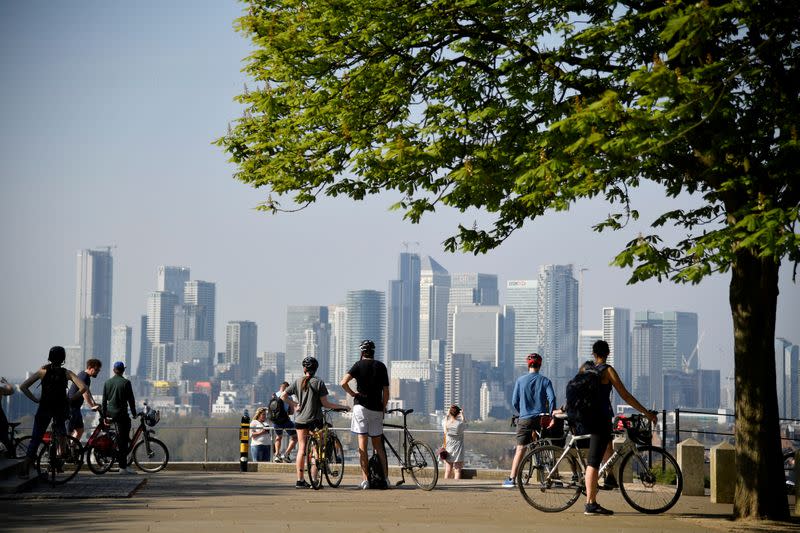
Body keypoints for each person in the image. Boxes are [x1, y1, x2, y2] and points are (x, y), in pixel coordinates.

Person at [582, 340, 657, 516]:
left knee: (607, 446)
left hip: (586, 418)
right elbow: (625, 395)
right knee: (593, 462)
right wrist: (646, 413)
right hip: (600, 419)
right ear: (608, 353)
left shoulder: (585, 368)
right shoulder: (607, 370)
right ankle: (590, 504)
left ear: (593, 353)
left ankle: (610, 478)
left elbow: (575, 388)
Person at [19, 346, 87, 476]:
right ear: (63, 359)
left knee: (36, 438)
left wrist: (35, 399)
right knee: (61, 430)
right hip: (60, 409)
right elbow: (83, 387)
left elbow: (23, 386)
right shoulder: (67, 373)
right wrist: (71, 398)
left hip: (44, 408)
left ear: (50, 357)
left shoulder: (42, 371)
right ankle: (62, 453)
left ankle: (25, 468)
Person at [281, 357, 349, 488]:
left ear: (304, 369)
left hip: (300, 420)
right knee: (316, 450)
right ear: (316, 369)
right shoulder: (319, 383)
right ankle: (315, 480)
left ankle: (300, 480)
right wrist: (343, 407)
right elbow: (326, 404)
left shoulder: (297, 381)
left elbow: (283, 396)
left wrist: (294, 404)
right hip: (315, 420)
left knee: (301, 449)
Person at [341, 339, 390, 490]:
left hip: (361, 407)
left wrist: (353, 394)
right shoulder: (381, 366)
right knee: (378, 447)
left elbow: (343, 382)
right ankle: (385, 479)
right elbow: (386, 392)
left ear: (362, 352)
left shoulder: (358, 365)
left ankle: (366, 480)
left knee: (362, 445)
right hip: (376, 408)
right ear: (374, 352)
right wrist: (383, 407)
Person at [503, 353, 556, 488]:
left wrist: (522, 412)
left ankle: (512, 479)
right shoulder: (545, 380)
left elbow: (514, 401)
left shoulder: (520, 381)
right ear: (540, 365)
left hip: (525, 418)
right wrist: (551, 416)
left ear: (528, 365)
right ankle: (553, 476)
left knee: (520, 448)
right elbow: (552, 398)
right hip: (542, 419)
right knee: (547, 445)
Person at [102, 361, 138, 475]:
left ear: (114, 370)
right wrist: (134, 413)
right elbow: (131, 400)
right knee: (123, 441)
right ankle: (123, 467)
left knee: (120, 438)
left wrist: (104, 416)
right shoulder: (126, 383)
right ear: (123, 370)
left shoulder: (107, 383)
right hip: (121, 415)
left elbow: (104, 401)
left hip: (110, 414)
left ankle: (119, 456)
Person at [67, 358, 102, 441]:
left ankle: (72, 448)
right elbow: (84, 393)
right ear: (90, 368)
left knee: (80, 430)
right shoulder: (84, 376)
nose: (97, 372)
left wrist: (94, 403)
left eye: (99, 370)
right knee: (68, 432)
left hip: (76, 408)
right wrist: (91, 406)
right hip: (71, 407)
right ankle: (63, 451)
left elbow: (88, 391)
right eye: (96, 370)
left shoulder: (86, 377)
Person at [271, 381, 297, 463]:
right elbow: (292, 412)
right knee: (294, 437)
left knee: (278, 437)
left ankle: (277, 455)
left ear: (280, 387)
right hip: (286, 421)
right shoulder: (288, 397)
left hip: (276, 420)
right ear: (288, 388)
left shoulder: (274, 395)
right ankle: (286, 454)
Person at [442, 404, 466, 480]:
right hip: (458, 449)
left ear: (450, 412)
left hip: (448, 448)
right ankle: (457, 485)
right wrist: (462, 415)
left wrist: (448, 414)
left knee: (447, 470)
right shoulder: (459, 424)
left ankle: (445, 484)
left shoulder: (445, 423)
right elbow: (466, 424)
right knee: (457, 470)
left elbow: (445, 419)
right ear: (458, 413)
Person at [0, 376, 14, 456]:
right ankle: (10, 453)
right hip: (1, 417)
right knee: (4, 438)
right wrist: (6, 383)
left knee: (4, 438)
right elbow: (11, 391)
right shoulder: (0, 390)